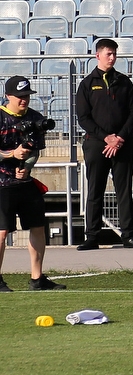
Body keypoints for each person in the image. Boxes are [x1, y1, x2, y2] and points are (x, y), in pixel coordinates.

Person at [76, 38, 133, 250]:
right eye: (108, 54)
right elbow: (83, 117)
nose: (112, 57)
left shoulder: (124, 82)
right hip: (97, 144)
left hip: (123, 144)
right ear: (97, 55)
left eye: (114, 54)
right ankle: (92, 237)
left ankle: (129, 236)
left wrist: (119, 138)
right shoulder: (87, 84)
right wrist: (106, 137)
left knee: (123, 191)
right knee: (95, 190)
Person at [0, 76, 64, 292]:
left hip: (25, 182)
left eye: (26, 96)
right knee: (1, 231)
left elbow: (34, 149)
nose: (24, 100)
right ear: (8, 96)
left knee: (37, 226)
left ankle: (37, 279)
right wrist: (11, 154)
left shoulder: (36, 118)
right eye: (19, 96)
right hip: (1, 183)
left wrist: (26, 165)